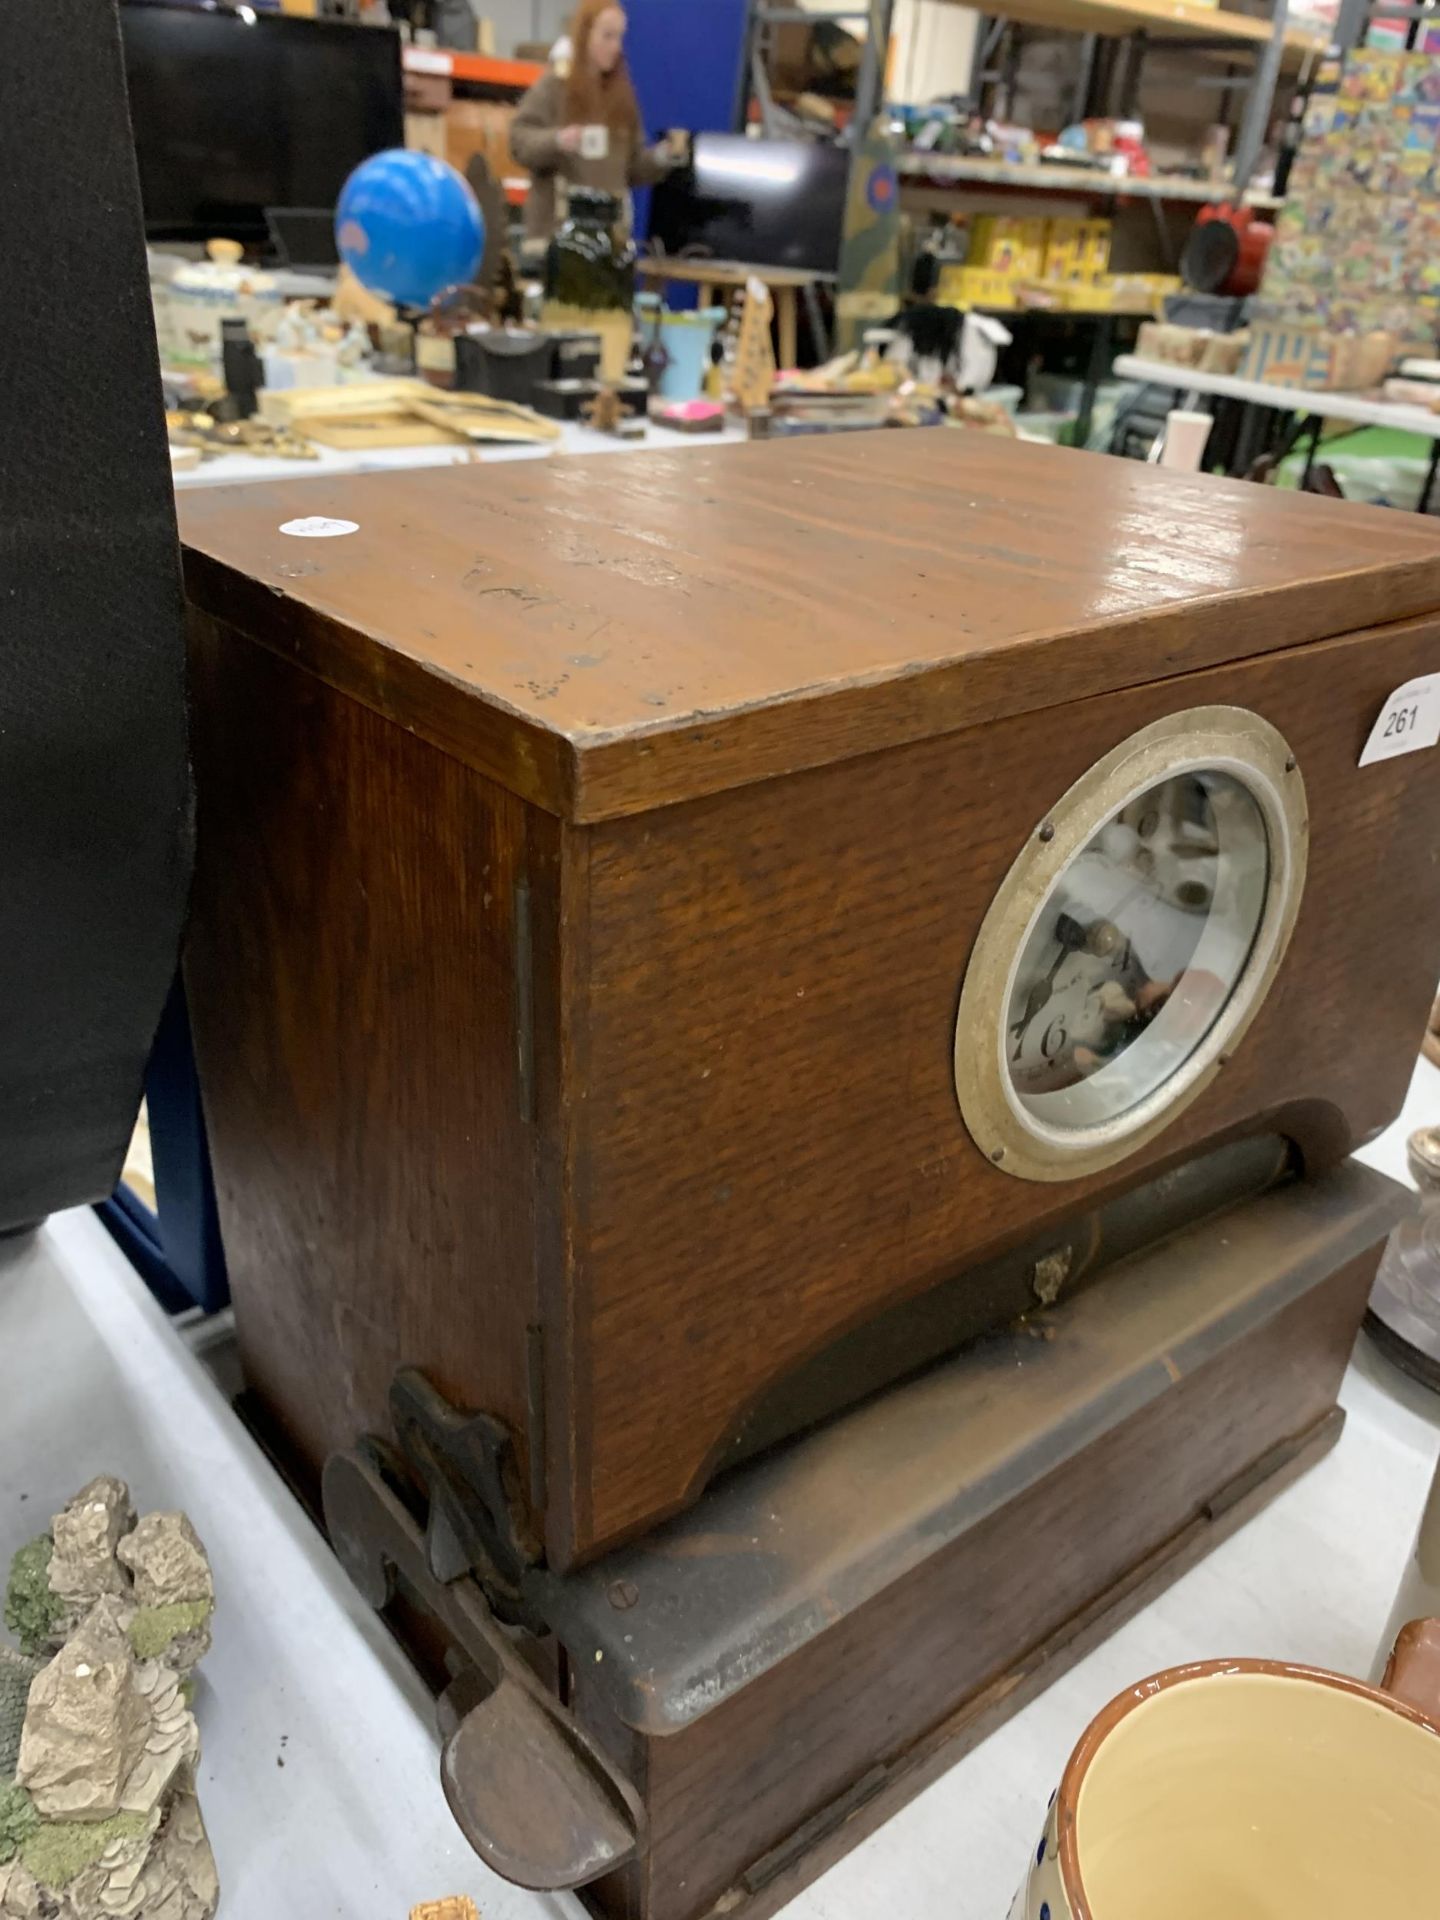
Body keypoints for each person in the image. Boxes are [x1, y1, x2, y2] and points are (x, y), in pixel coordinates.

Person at [510, 1, 675, 250]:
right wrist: (557, 140)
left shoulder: (623, 98)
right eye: (607, 36)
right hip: (557, 239)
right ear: (585, 34)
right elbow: (519, 140)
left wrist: (661, 158)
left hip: (608, 241)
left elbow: (631, 167)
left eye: (619, 37)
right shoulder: (555, 86)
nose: (616, 47)